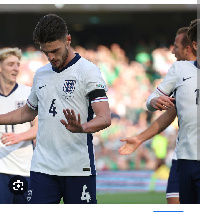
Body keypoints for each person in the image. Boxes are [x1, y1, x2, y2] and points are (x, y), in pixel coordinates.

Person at [0, 14, 111, 204]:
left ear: (67, 40)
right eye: (45, 52)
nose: (51, 57)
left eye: (55, 50)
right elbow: (27, 112)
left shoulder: (88, 71)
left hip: (77, 168)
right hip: (42, 168)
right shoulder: (41, 74)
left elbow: (104, 117)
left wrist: (82, 127)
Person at [143, 19, 199, 204]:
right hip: (186, 158)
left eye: (176, 46)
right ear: (195, 45)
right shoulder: (180, 70)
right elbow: (153, 103)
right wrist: (154, 101)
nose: (173, 51)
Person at [0, 47, 38, 204]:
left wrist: (20, 137)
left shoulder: (28, 93)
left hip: (24, 169)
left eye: (17, 64)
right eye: (10, 64)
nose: (16, 68)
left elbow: (40, 127)